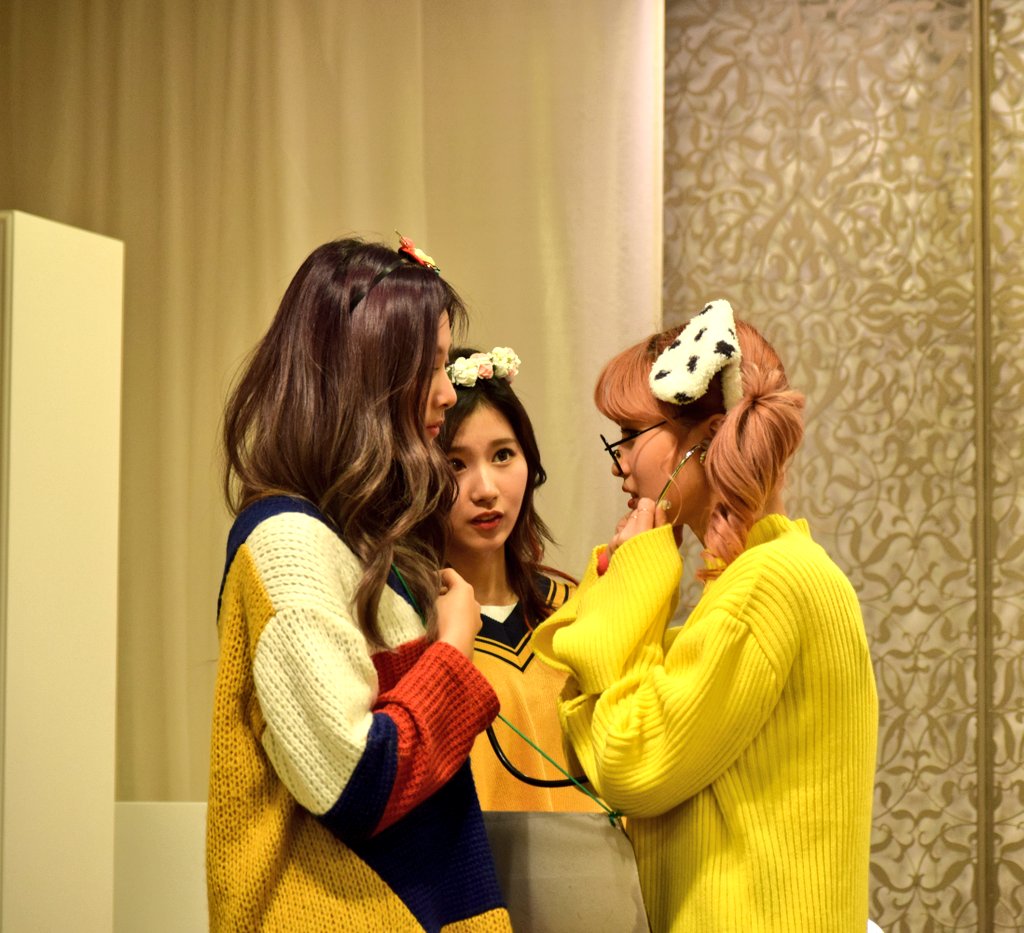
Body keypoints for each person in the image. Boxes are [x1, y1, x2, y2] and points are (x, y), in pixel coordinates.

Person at [531, 300, 878, 932]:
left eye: (629, 434)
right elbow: (598, 752)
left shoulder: (768, 586)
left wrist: (630, 575)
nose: (618, 463)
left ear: (709, 437)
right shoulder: (762, 581)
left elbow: (628, 766)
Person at [207, 237, 512, 932]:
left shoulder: (348, 543)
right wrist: (453, 651)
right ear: (365, 374)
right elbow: (354, 784)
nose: (448, 392)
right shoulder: (287, 545)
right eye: (428, 366)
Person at [438, 348, 597, 813]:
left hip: (595, 857)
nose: (486, 489)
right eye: (455, 464)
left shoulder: (577, 608)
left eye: (503, 455)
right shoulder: (411, 628)